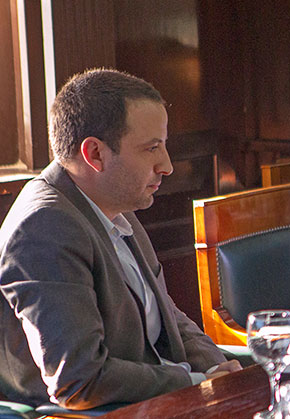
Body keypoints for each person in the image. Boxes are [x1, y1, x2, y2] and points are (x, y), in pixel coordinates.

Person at [0, 69, 240, 410]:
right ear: (95, 154)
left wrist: (216, 366)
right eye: (152, 148)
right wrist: (196, 382)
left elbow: (164, 313)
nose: (167, 165)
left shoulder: (113, 205)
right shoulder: (44, 228)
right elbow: (78, 381)